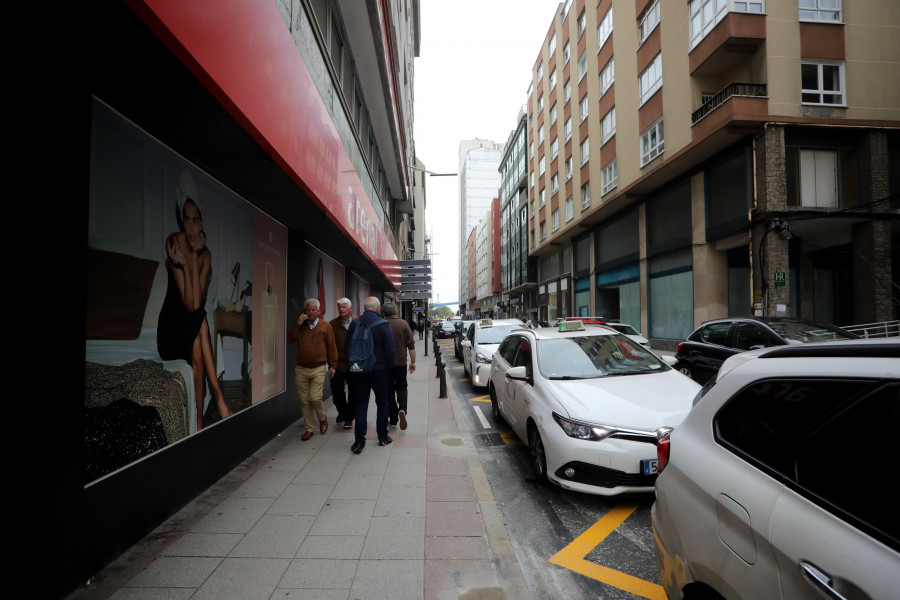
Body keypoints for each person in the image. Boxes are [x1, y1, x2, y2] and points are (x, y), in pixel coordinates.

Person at [157, 175, 233, 430]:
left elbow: (197, 301)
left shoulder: (206, 253)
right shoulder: (174, 242)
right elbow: (189, 304)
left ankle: (199, 422)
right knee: (199, 321)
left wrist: (198, 256)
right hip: (171, 331)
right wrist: (187, 262)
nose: (191, 227)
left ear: (202, 221)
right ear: (182, 219)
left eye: (196, 220)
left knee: (199, 336)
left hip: (192, 324)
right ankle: (219, 399)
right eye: (186, 219)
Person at [346, 296, 395, 454]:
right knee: (382, 402)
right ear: (377, 308)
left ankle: (359, 441)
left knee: (360, 404)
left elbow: (347, 347)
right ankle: (382, 437)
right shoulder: (383, 324)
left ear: (365, 308)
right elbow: (390, 350)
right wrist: (388, 369)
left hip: (359, 371)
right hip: (379, 371)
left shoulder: (355, 323)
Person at [287, 298, 337, 440]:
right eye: (308, 310)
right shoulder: (300, 326)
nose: (310, 313)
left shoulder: (325, 326)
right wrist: (297, 324)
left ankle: (322, 418)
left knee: (315, 398)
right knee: (304, 400)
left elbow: (332, 346)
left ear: (319, 311)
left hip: (318, 368)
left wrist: (333, 365)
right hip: (301, 369)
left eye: (313, 310)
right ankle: (309, 428)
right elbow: (290, 339)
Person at [382, 303, 416, 431]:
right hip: (401, 363)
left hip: (385, 365)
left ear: (383, 313)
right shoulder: (403, 324)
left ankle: (393, 419)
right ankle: (402, 409)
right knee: (402, 387)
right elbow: (411, 345)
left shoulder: (381, 323)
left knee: (389, 390)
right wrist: (413, 362)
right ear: (396, 311)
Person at [329, 297, 355, 430]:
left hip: (354, 365)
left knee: (353, 393)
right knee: (337, 391)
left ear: (350, 308)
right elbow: (329, 345)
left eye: (344, 307)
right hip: (338, 364)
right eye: (339, 307)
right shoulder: (332, 324)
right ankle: (342, 411)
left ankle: (349, 417)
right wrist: (332, 364)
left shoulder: (358, 322)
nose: (341, 309)